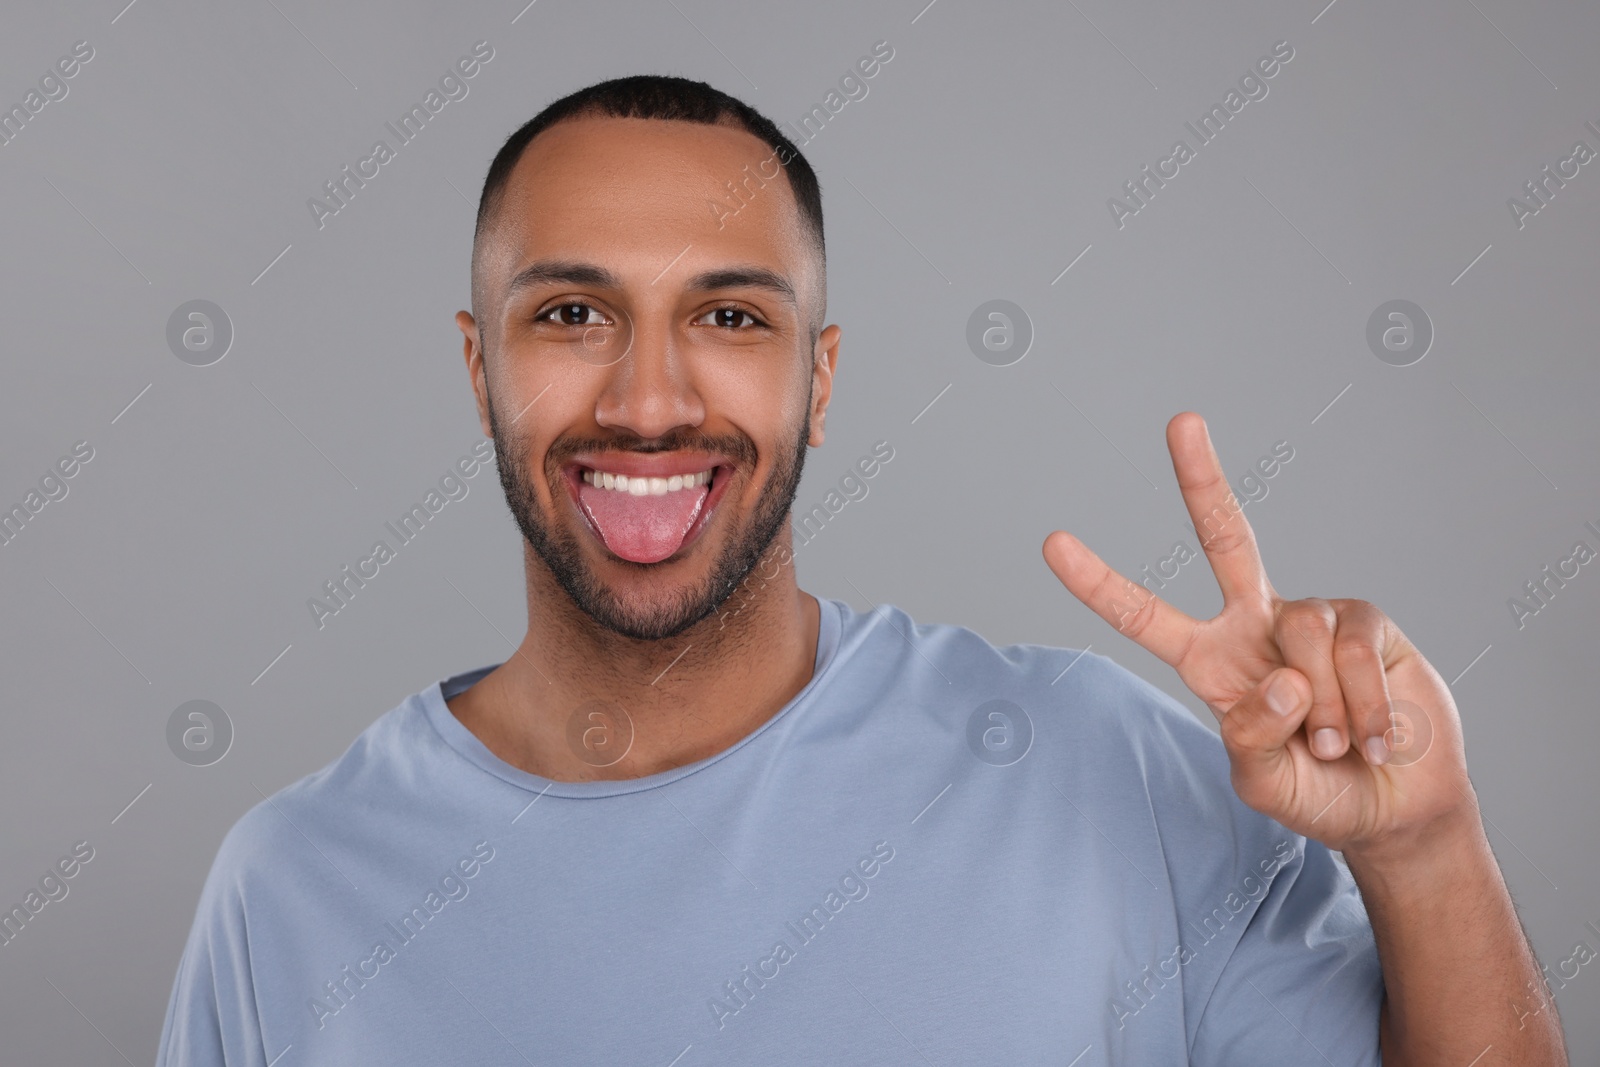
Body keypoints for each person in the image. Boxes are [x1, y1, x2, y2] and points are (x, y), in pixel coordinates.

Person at [156, 74, 1567, 1065]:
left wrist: (1422, 848)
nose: (649, 400)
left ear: (820, 381)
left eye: (729, 314)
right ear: (480, 368)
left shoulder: (1102, 773)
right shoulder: (291, 892)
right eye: (573, 311)